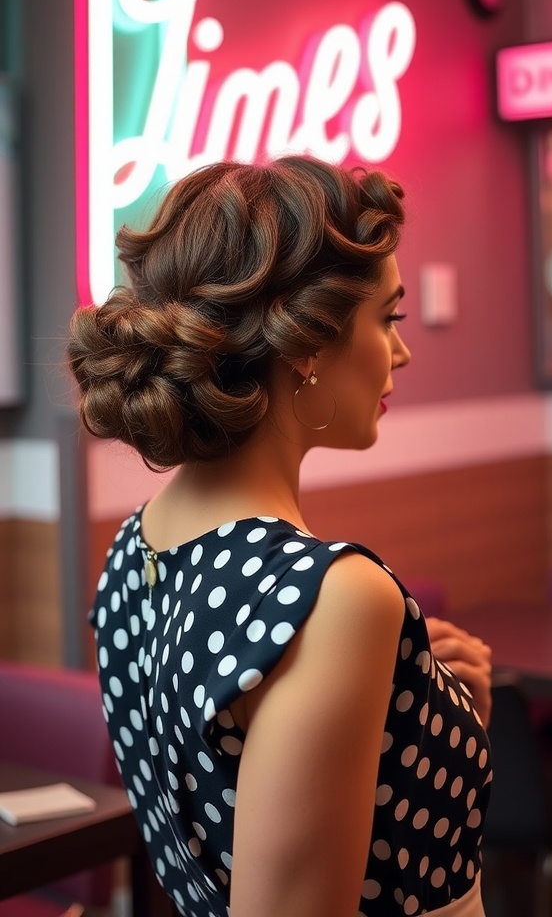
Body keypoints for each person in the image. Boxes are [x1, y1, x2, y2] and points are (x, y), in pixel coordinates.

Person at [68, 156, 492, 917]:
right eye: (388, 319)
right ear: (307, 344)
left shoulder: (132, 555)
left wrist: (428, 723)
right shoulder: (335, 602)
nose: (401, 351)